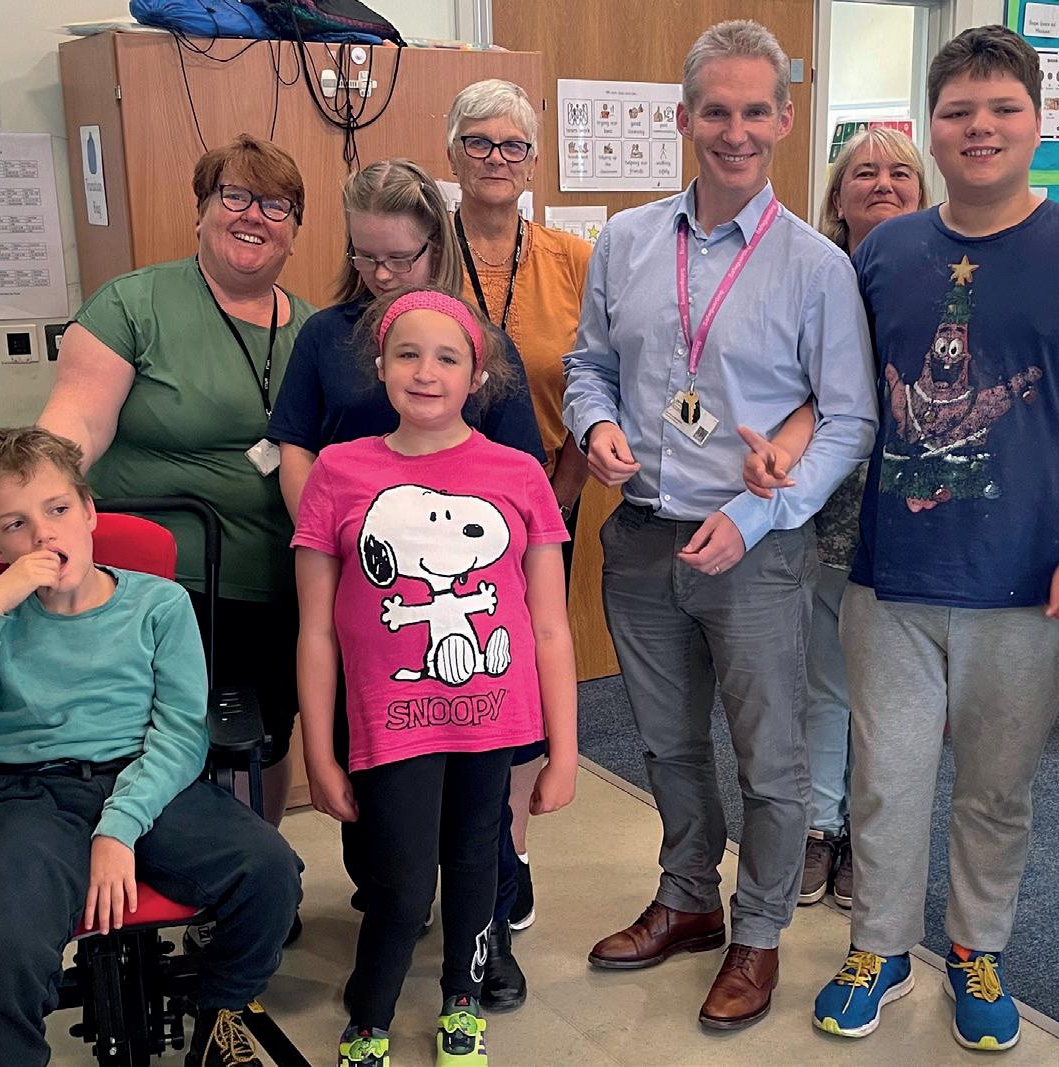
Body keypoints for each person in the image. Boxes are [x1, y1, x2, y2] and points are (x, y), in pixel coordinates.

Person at [809, 26, 1059, 1050]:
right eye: (958, 110)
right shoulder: (884, 254)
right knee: (886, 780)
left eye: (1002, 108)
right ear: (933, 127)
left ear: (1038, 123)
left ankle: (976, 947)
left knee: (997, 788)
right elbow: (839, 394)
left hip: (1032, 579)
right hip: (894, 576)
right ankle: (879, 947)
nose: (980, 127)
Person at [566, 19, 877, 1031]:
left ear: (783, 120)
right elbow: (588, 365)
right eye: (714, 111)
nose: (733, 131)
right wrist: (595, 423)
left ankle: (760, 930)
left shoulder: (816, 267)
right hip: (641, 535)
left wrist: (761, 508)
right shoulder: (625, 242)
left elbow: (848, 418)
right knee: (666, 742)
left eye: (753, 112)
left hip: (756, 550)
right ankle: (688, 896)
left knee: (770, 759)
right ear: (683, 119)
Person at [0, 427, 303, 1067]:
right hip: (24, 794)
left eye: (58, 510)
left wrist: (118, 827)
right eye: (15, 524)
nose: (43, 536)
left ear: (89, 511)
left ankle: (222, 1014)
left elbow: (180, 733)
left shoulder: (159, 605)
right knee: (7, 947)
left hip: (147, 779)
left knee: (269, 872)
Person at [267, 155, 545, 1008]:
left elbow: (519, 488)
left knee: (479, 802)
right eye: (366, 256)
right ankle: (392, 904)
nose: (382, 274)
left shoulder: (475, 341)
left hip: (462, 591)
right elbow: (296, 448)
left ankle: (487, 938)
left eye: (400, 257)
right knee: (379, 787)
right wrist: (333, 539)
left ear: (437, 246)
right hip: (363, 591)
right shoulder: (326, 336)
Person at [294, 288, 578, 1067]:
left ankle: (462, 999)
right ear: (380, 366)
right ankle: (371, 1014)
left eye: (447, 357)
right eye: (408, 354)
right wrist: (318, 752)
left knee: (480, 866)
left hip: (495, 720)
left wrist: (563, 751)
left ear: (476, 374)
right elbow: (316, 630)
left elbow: (549, 626)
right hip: (391, 725)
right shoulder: (339, 471)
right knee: (402, 880)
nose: (426, 372)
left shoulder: (518, 473)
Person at [39, 134, 316, 828]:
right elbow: (76, 423)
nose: (253, 216)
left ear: (294, 231)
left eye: (276, 205)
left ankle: (251, 866)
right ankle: (162, 862)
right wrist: (38, 502)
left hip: (278, 582)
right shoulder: (133, 305)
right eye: (235, 195)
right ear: (201, 210)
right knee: (162, 739)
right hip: (160, 585)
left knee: (264, 735)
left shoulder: (314, 331)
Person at [747, 125, 929, 913]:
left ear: (922, 193)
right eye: (864, 172)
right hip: (827, 508)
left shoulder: (941, 283)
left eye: (900, 172)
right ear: (836, 196)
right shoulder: (811, 275)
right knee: (824, 679)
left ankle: (869, 834)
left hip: (913, 515)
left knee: (892, 696)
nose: (883, 183)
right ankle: (821, 824)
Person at [446, 77, 594, 957]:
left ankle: (511, 848)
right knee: (445, 677)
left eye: (513, 145)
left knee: (520, 683)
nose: (496, 158)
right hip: (429, 514)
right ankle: (444, 846)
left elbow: (601, 377)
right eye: (479, 141)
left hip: (537, 511)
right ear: (453, 152)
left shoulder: (574, 260)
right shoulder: (425, 253)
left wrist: (564, 487)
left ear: (534, 161)